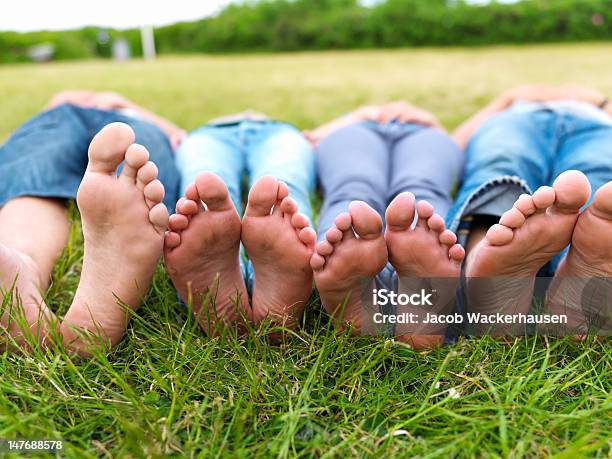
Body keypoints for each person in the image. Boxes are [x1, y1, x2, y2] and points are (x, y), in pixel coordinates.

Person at [0, 91, 182, 355]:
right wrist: (60, 102)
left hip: (124, 122)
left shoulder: (130, 111)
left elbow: (178, 136)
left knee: (33, 182)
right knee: (32, 173)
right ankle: (20, 268)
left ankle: (27, 259)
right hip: (60, 119)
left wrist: (125, 104)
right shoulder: (61, 105)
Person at [448, 84, 612, 336]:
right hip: (518, 119)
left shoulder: (599, 108)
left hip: (597, 124)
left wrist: (602, 104)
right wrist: (506, 100)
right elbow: (453, 146)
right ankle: (485, 268)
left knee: (601, 190)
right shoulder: (512, 106)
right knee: (500, 163)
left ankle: (576, 273)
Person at [307, 101, 466, 348]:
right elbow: (307, 139)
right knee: (420, 193)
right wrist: (355, 116)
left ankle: (362, 293)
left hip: (419, 131)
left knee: (354, 193)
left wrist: (431, 122)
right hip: (367, 128)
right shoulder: (354, 121)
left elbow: (467, 139)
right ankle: (418, 291)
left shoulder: (427, 126)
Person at [163, 110, 317, 334]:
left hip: (243, 132)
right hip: (221, 133)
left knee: (275, 187)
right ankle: (275, 299)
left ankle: (232, 289)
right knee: (212, 187)